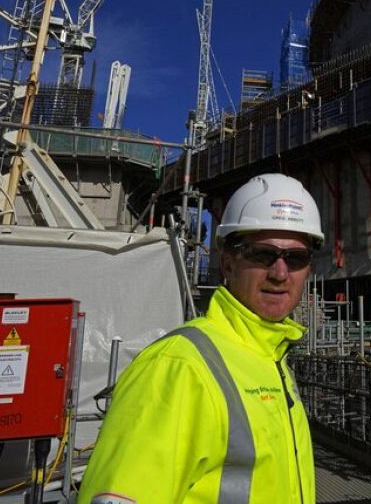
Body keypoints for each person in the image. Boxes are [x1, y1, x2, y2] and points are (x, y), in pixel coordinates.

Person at [78, 173, 323, 504]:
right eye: (263, 255)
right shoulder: (178, 367)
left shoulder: (270, 360)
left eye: (296, 258)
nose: (280, 273)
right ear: (227, 263)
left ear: (308, 268)